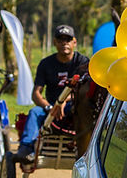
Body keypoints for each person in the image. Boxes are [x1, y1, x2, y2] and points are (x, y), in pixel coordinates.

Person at [15, 24, 90, 163]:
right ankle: (26, 148)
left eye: (68, 40)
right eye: (60, 39)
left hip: (74, 107)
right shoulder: (45, 64)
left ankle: (92, 151)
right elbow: (36, 93)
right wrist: (50, 107)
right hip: (49, 108)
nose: (64, 43)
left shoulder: (83, 62)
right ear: (55, 42)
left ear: (74, 42)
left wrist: (62, 102)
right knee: (34, 113)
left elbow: (84, 88)